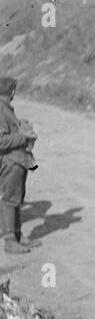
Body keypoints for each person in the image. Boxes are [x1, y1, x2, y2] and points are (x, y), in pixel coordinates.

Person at [0, 77, 40, 255]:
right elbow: (0, 141)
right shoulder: (1, 110)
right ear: (12, 92)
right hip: (10, 162)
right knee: (10, 200)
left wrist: (20, 125)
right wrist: (23, 136)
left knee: (16, 198)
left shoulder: (6, 109)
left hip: (17, 161)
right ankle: (10, 241)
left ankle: (17, 235)